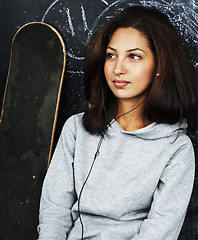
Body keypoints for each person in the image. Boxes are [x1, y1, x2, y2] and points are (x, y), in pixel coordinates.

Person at [37, 6, 198, 240]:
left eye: (134, 56)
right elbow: (55, 211)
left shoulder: (176, 147)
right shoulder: (76, 129)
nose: (118, 69)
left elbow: (160, 231)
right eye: (111, 55)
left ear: (159, 66)